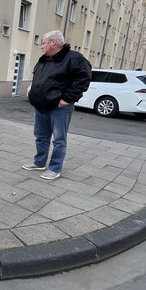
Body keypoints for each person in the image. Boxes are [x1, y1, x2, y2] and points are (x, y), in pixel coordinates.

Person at [24, 30, 91, 180]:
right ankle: (39, 162)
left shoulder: (73, 58)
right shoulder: (44, 59)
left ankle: (55, 168)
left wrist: (67, 98)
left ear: (53, 43)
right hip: (40, 106)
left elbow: (83, 79)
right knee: (40, 137)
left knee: (59, 139)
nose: (41, 46)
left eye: (43, 43)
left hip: (59, 108)